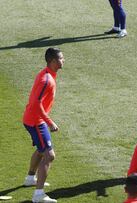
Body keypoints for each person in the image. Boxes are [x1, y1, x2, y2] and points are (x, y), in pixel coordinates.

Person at [23, 47, 64, 203]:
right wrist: (49, 122)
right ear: (53, 61)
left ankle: (30, 178)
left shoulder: (48, 75)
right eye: (61, 58)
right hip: (36, 121)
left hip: (32, 119)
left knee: (41, 150)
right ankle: (38, 195)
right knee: (49, 154)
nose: (63, 60)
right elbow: (35, 104)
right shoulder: (46, 80)